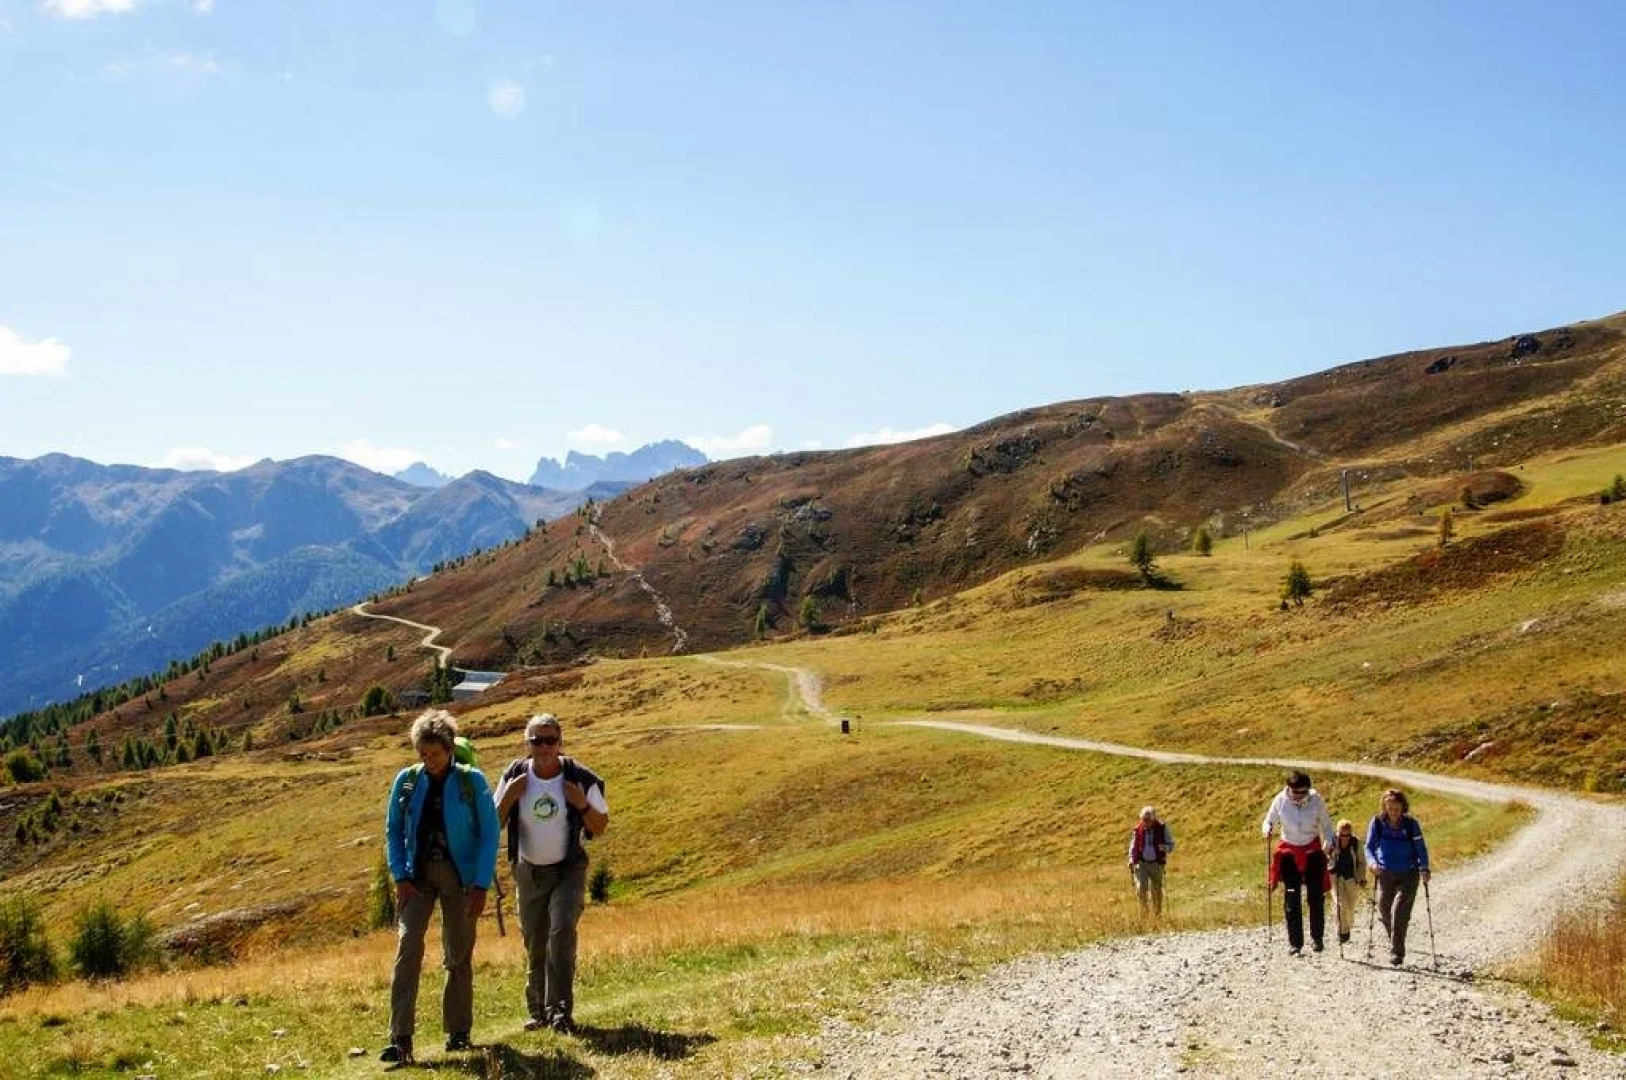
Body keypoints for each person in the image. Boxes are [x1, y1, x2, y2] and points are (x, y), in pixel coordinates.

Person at [382, 710, 500, 1063]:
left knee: (458, 955)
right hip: (416, 879)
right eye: (423, 754)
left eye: (434, 753)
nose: (428, 761)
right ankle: (401, 1039)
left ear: (450, 748)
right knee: (407, 949)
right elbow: (393, 830)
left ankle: (458, 1032)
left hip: (459, 879)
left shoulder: (471, 781)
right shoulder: (406, 781)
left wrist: (480, 885)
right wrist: (400, 876)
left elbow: (490, 834)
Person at [494, 713, 609, 1033]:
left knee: (560, 932)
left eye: (550, 740)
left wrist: (582, 804)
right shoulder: (515, 776)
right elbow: (494, 823)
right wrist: (509, 798)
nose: (544, 747)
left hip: (567, 870)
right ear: (527, 744)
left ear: (560, 743)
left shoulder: (579, 778)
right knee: (535, 941)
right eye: (537, 740)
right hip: (528, 871)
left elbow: (599, 826)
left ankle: (560, 1011)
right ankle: (540, 1011)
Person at [1261, 769, 1336, 955]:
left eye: (1304, 792)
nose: (1299, 797)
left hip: (1312, 850)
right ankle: (1295, 943)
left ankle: (1317, 939)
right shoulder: (1280, 800)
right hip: (1289, 852)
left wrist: (1329, 841)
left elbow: (1326, 826)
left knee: (1315, 896)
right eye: (1296, 792)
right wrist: (1267, 829)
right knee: (1292, 897)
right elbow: (1268, 821)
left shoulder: (1316, 800)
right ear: (1289, 789)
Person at [1365, 788, 1430, 966]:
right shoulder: (1377, 823)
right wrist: (1372, 863)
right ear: (1385, 807)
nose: (1393, 812)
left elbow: (1421, 848)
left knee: (1399, 911)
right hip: (1385, 872)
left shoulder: (1411, 824)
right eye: (1390, 808)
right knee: (1384, 909)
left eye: (1396, 808)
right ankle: (1396, 939)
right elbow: (1369, 847)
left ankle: (1397, 952)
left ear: (1403, 807)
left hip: (1409, 872)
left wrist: (1424, 868)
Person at [1127, 806, 1175, 918]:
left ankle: (1157, 916)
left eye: (1147, 820)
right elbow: (1133, 846)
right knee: (1140, 888)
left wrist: (1164, 848)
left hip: (1156, 863)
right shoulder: (1138, 829)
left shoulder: (1162, 828)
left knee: (1156, 889)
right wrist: (1130, 860)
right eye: (1143, 819)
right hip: (1141, 864)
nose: (1145, 822)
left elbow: (1171, 845)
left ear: (1153, 819)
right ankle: (1144, 916)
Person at [1329, 818, 1367, 945]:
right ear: (1337, 833)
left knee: (1350, 906)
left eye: (1347, 835)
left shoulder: (1356, 843)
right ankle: (1342, 932)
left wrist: (1362, 877)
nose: (1345, 837)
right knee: (1340, 904)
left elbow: (1361, 862)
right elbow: (1325, 860)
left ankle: (1347, 927)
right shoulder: (1331, 843)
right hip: (1336, 878)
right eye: (1342, 835)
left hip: (1351, 878)